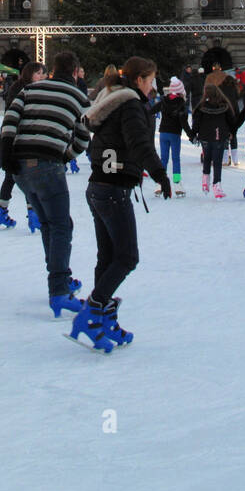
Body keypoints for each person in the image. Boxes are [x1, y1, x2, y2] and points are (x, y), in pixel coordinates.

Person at [69, 58, 172, 352]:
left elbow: (104, 143)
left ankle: (103, 320)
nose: (153, 86)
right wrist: (160, 174)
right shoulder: (130, 105)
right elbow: (139, 142)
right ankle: (93, 313)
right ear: (139, 80)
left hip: (99, 185)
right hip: (112, 189)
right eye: (151, 80)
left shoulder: (113, 101)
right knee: (126, 257)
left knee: (109, 257)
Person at [0, 50, 90, 318]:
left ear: (52, 69)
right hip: (48, 164)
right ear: (75, 72)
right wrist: (65, 156)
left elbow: (10, 122)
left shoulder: (31, 89)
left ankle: (60, 279)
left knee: (49, 223)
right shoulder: (79, 97)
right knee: (61, 225)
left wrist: (7, 155)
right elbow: (84, 137)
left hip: (20, 167)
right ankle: (59, 288)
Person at [0, 62, 45, 228]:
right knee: (27, 174)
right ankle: (33, 215)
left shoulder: (25, 88)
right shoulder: (25, 90)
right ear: (30, 74)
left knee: (11, 176)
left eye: (42, 73)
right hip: (20, 137)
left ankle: (2, 212)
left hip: (13, 136)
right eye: (38, 73)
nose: (41, 76)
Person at [191, 83, 237, 198]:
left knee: (207, 158)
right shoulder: (224, 106)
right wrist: (232, 132)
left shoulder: (201, 107)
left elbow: (196, 122)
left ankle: (205, 180)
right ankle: (217, 185)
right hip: (219, 135)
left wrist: (194, 133)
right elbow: (231, 121)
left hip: (205, 136)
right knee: (217, 161)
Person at [152, 77, 192, 197]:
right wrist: (191, 135)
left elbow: (152, 110)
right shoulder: (181, 103)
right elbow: (184, 122)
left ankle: (160, 183)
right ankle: (177, 184)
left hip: (163, 133)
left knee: (163, 159)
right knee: (175, 159)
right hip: (174, 134)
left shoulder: (164, 101)